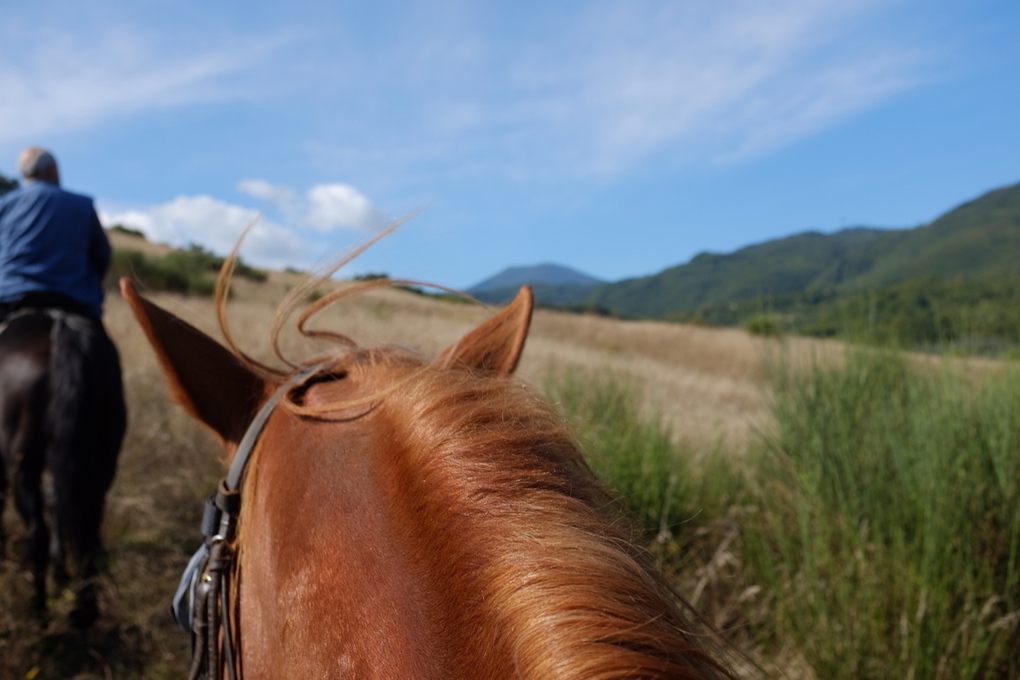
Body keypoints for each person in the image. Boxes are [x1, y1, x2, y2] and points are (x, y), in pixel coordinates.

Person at [0, 147, 111, 319]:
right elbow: (102, 255)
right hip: (72, 300)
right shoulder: (82, 204)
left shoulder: (4, 205)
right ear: (52, 170)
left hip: (9, 299)